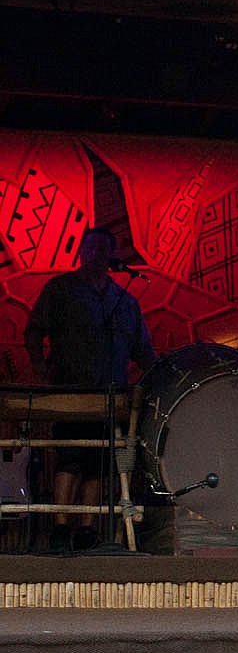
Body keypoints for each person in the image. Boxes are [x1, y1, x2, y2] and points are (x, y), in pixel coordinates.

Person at [24, 226, 155, 552]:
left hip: (109, 393)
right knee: (70, 457)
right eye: (91, 247)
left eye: (103, 249)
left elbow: (144, 351)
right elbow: (34, 329)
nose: (96, 253)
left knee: (99, 462)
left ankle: (86, 528)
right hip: (71, 388)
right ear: (81, 251)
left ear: (111, 256)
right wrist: (39, 364)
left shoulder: (124, 300)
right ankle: (60, 527)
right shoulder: (61, 289)